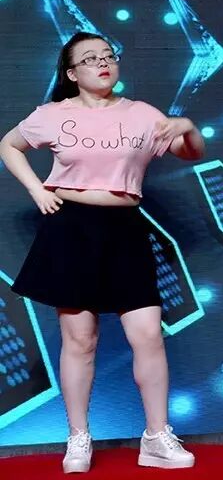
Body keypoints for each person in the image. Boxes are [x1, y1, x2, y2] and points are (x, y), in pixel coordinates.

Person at [0, 32, 206, 473]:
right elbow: (8, 145)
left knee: (148, 333)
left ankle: (156, 437)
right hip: (70, 228)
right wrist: (37, 189)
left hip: (125, 228)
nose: (103, 63)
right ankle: (78, 438)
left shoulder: (142, 113)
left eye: (108, 55)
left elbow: (190, 153)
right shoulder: (53, 114)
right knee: (80, 340)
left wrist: (187, 127)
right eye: (90, 59)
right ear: (72, 73)